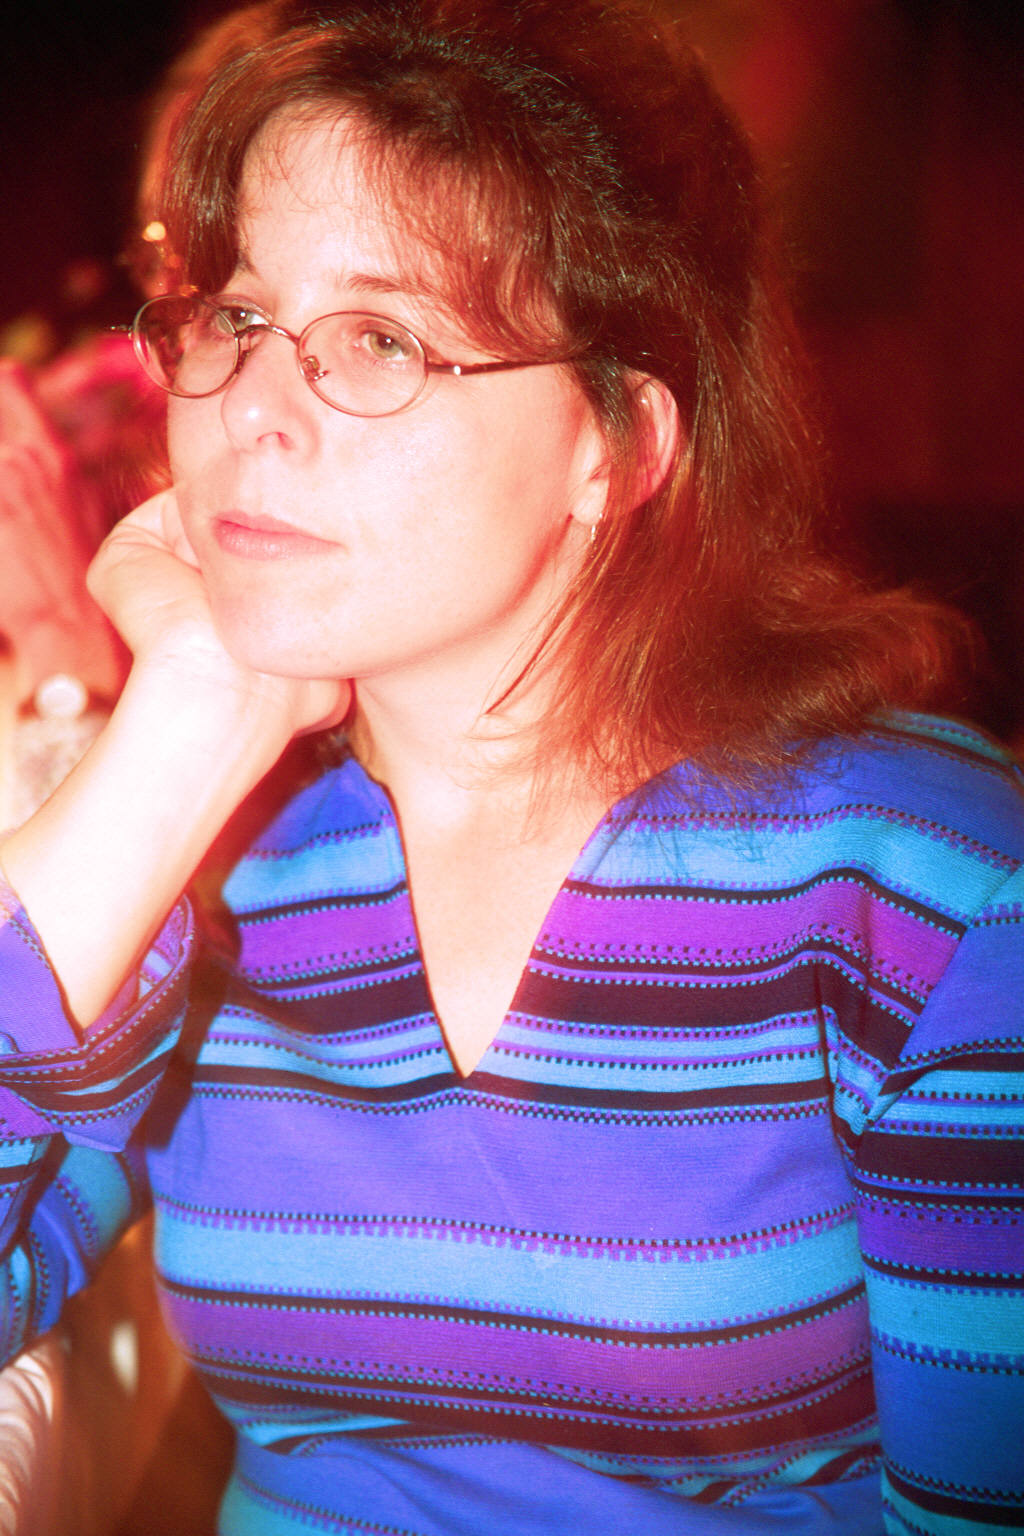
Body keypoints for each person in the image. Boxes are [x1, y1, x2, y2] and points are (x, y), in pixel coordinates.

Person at [0, 2, 1021, 1532]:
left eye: (381, 338)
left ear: (619, 446)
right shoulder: (216, 862)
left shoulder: (924, 890)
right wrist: (188, 712)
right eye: (235, 318)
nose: (249, 410)